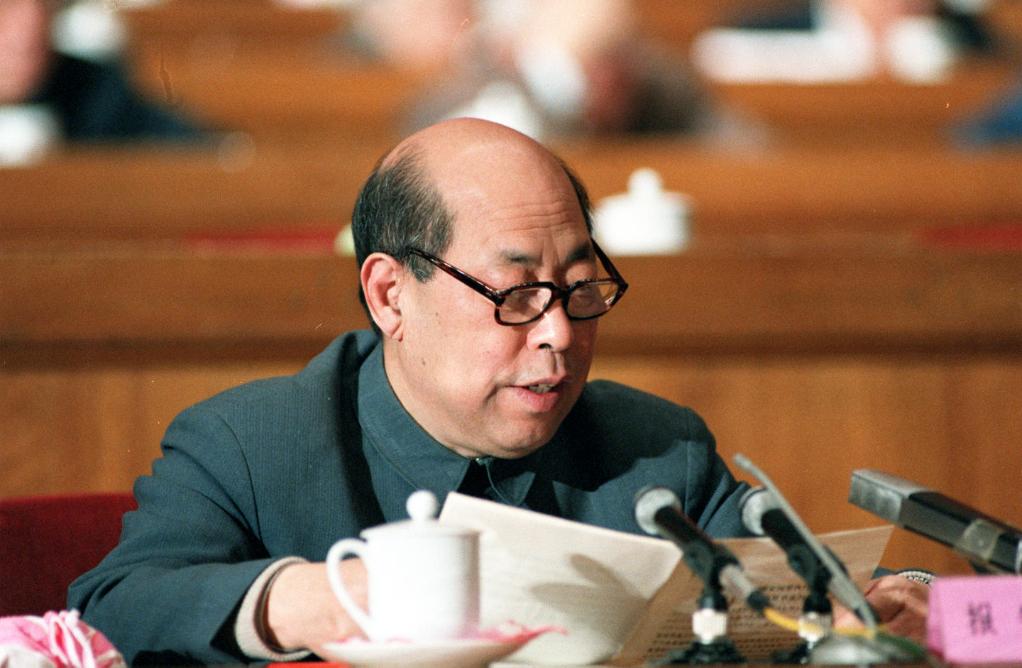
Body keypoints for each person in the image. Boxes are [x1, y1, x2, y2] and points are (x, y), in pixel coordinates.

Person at [68, 118, 927, 664]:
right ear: (390, 295)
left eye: (580, 289)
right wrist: (316, 601)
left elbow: (802, 579)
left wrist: (902, 599)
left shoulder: (654, 452)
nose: (559, 334)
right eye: (515, 296)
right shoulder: (249, 446)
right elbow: (115, 606)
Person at [0, 0, 204, 143]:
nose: (27, 30)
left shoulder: (92, 90)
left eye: (45, 5)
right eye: (7, 6)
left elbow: (193, 151)